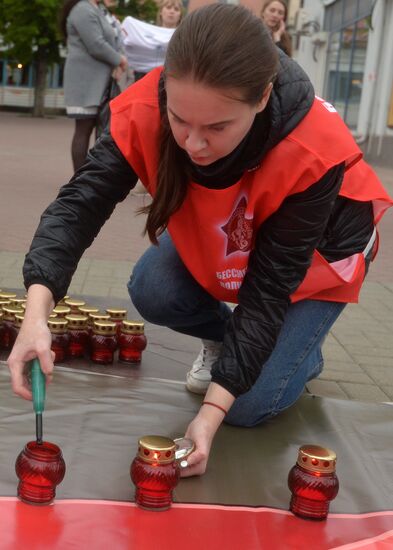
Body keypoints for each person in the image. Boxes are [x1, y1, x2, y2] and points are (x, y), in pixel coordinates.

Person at [8, 5, 392, 479]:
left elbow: (269, 288)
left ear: (262, 98)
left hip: (317, 260)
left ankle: (301, 353)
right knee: (153, 286)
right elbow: (79, 205)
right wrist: (36, 313)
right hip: (239, 233)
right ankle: (249, 347)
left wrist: (210, 416)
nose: (192, 143)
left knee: (246, 407)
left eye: (216, 128)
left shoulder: (312, 150)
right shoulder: (149, 104)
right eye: (180, 119)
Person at [60, 0, 127, 171]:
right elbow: (96, 44)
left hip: (98, 80)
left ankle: (91, 176)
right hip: (85, 80)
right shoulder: (83, 9)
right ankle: (79, 179)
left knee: (99, 128)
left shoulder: (96, 9)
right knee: (84, 128)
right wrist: (119, 60)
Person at [121, 0, 182, 82]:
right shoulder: (145, 33)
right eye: (168, 7)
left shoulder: (183, 37)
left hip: (168, 81)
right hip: (142, 77)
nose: (172, 11)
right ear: (161, 11)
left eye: (176, 9)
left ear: (180, 15)